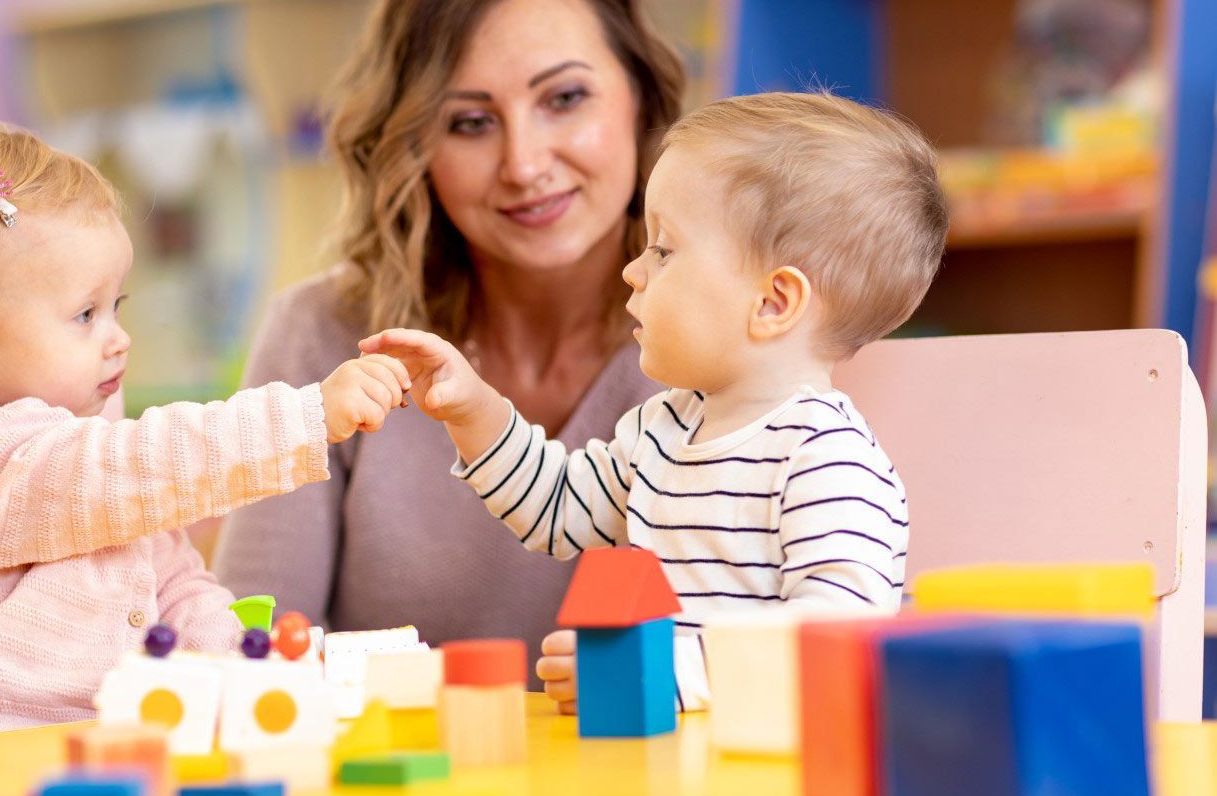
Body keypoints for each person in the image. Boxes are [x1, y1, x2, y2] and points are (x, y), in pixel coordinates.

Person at [364, 91, 948, 711]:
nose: (633, 271)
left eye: (663, 250)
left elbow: (839, 640)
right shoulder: (663, 427)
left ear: (774, 303)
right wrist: (475, 410)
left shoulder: (825, 460)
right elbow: (557, 507)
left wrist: (656, 674)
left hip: (767, 782)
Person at [214, 0, 685, 674]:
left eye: (565, 98)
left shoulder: (739, 344)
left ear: (641, 99)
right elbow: (247, 652)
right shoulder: (321, 336)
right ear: (414, 149)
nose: (525, 164)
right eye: (470, 122)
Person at [0, 122, 411, 732]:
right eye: (86, 314)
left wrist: (254, 664)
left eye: (119, 306)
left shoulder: (97, 462)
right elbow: (142, 466)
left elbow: (179, 588)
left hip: (109, 744)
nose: (120, 339)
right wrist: (305, 417)